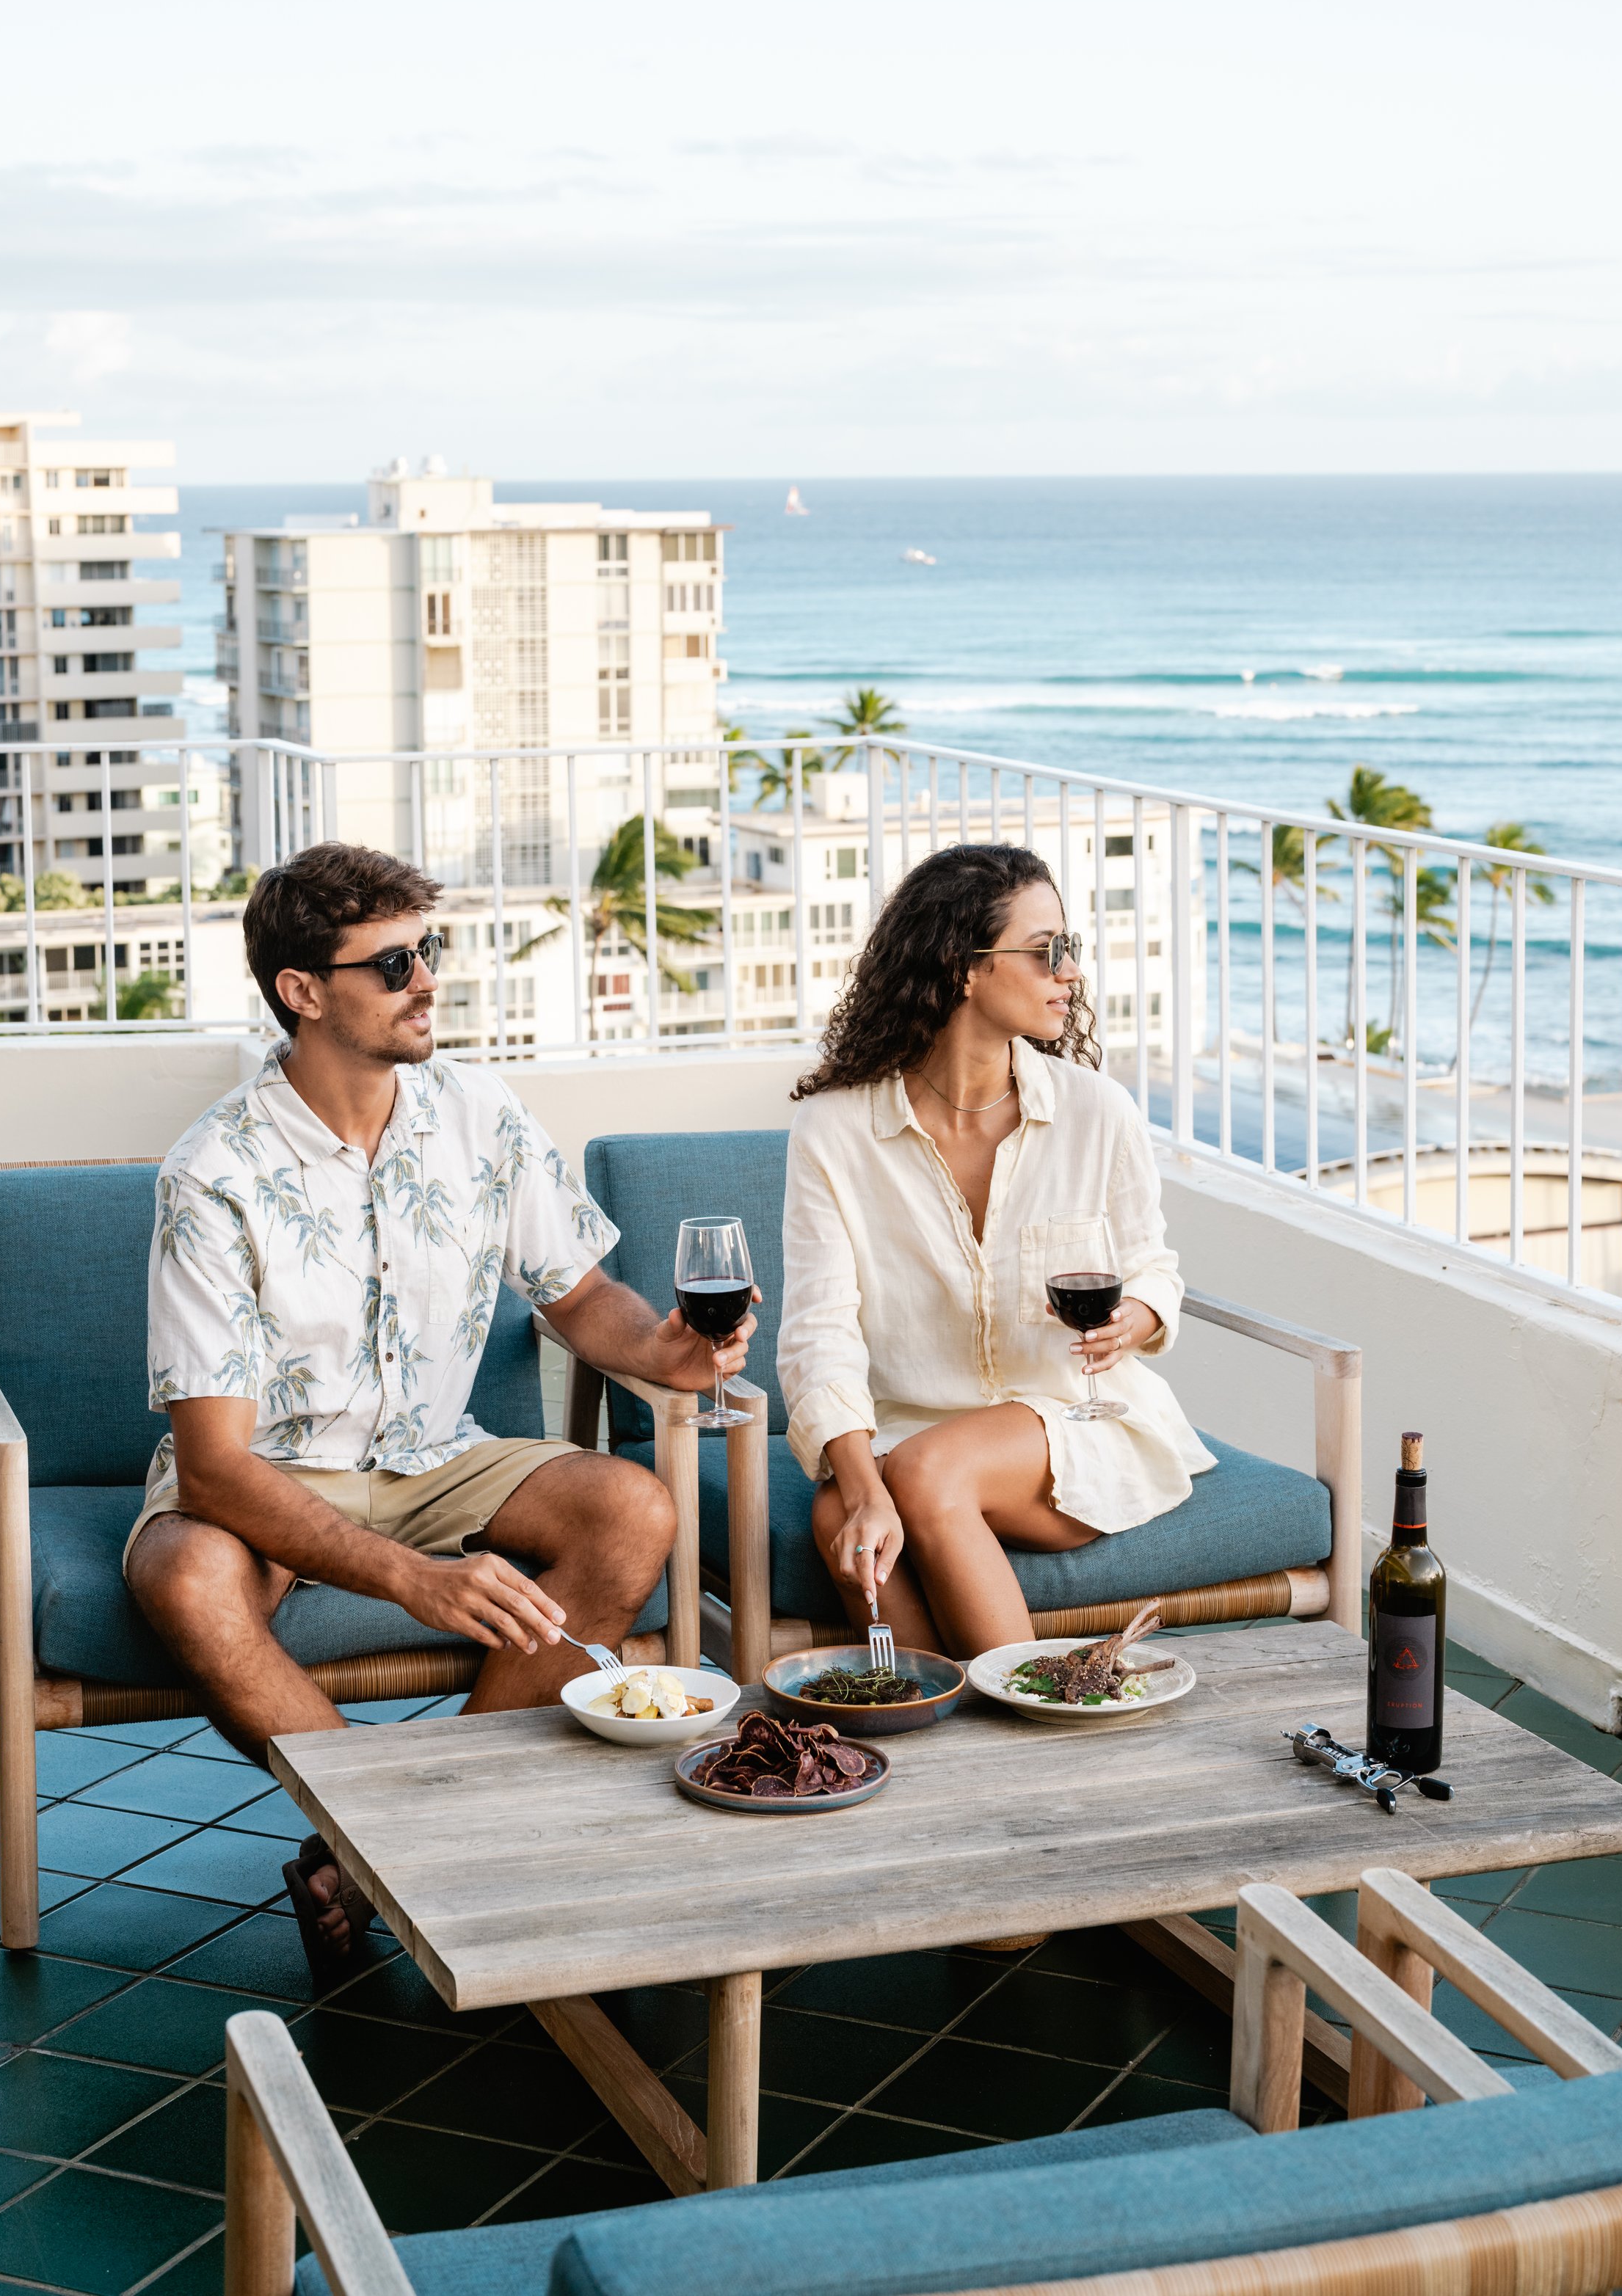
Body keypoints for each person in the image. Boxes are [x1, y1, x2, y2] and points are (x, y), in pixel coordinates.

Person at [127, 841, 754, 1983]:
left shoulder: (482, 1110)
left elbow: (579, 1295)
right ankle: (418, 1847)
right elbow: (215, 1469)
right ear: (303, 992)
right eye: (397, 961)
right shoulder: (213, 1170)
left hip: (436, 1457)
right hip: (275, 1466)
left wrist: (663, 1347)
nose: (430, 980)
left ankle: (372, 1846)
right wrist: (415, 1577)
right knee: (183, 1574)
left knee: (630, 1509)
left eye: (433, 950)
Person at [779, 842, 1209, 1658]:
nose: (1070, 971)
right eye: (1046, 950)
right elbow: (817, 1331)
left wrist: (1139, 1312)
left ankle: (1039, 1723)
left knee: (929, 1474)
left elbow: (1153, 1262)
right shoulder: (836, 1131)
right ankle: (945, 1735)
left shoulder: (1096, 1111)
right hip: (913, 1427)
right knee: (842, 1511)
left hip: (1074, 1425)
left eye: (1069, 947)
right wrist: (859, 1484)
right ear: (962, 967)